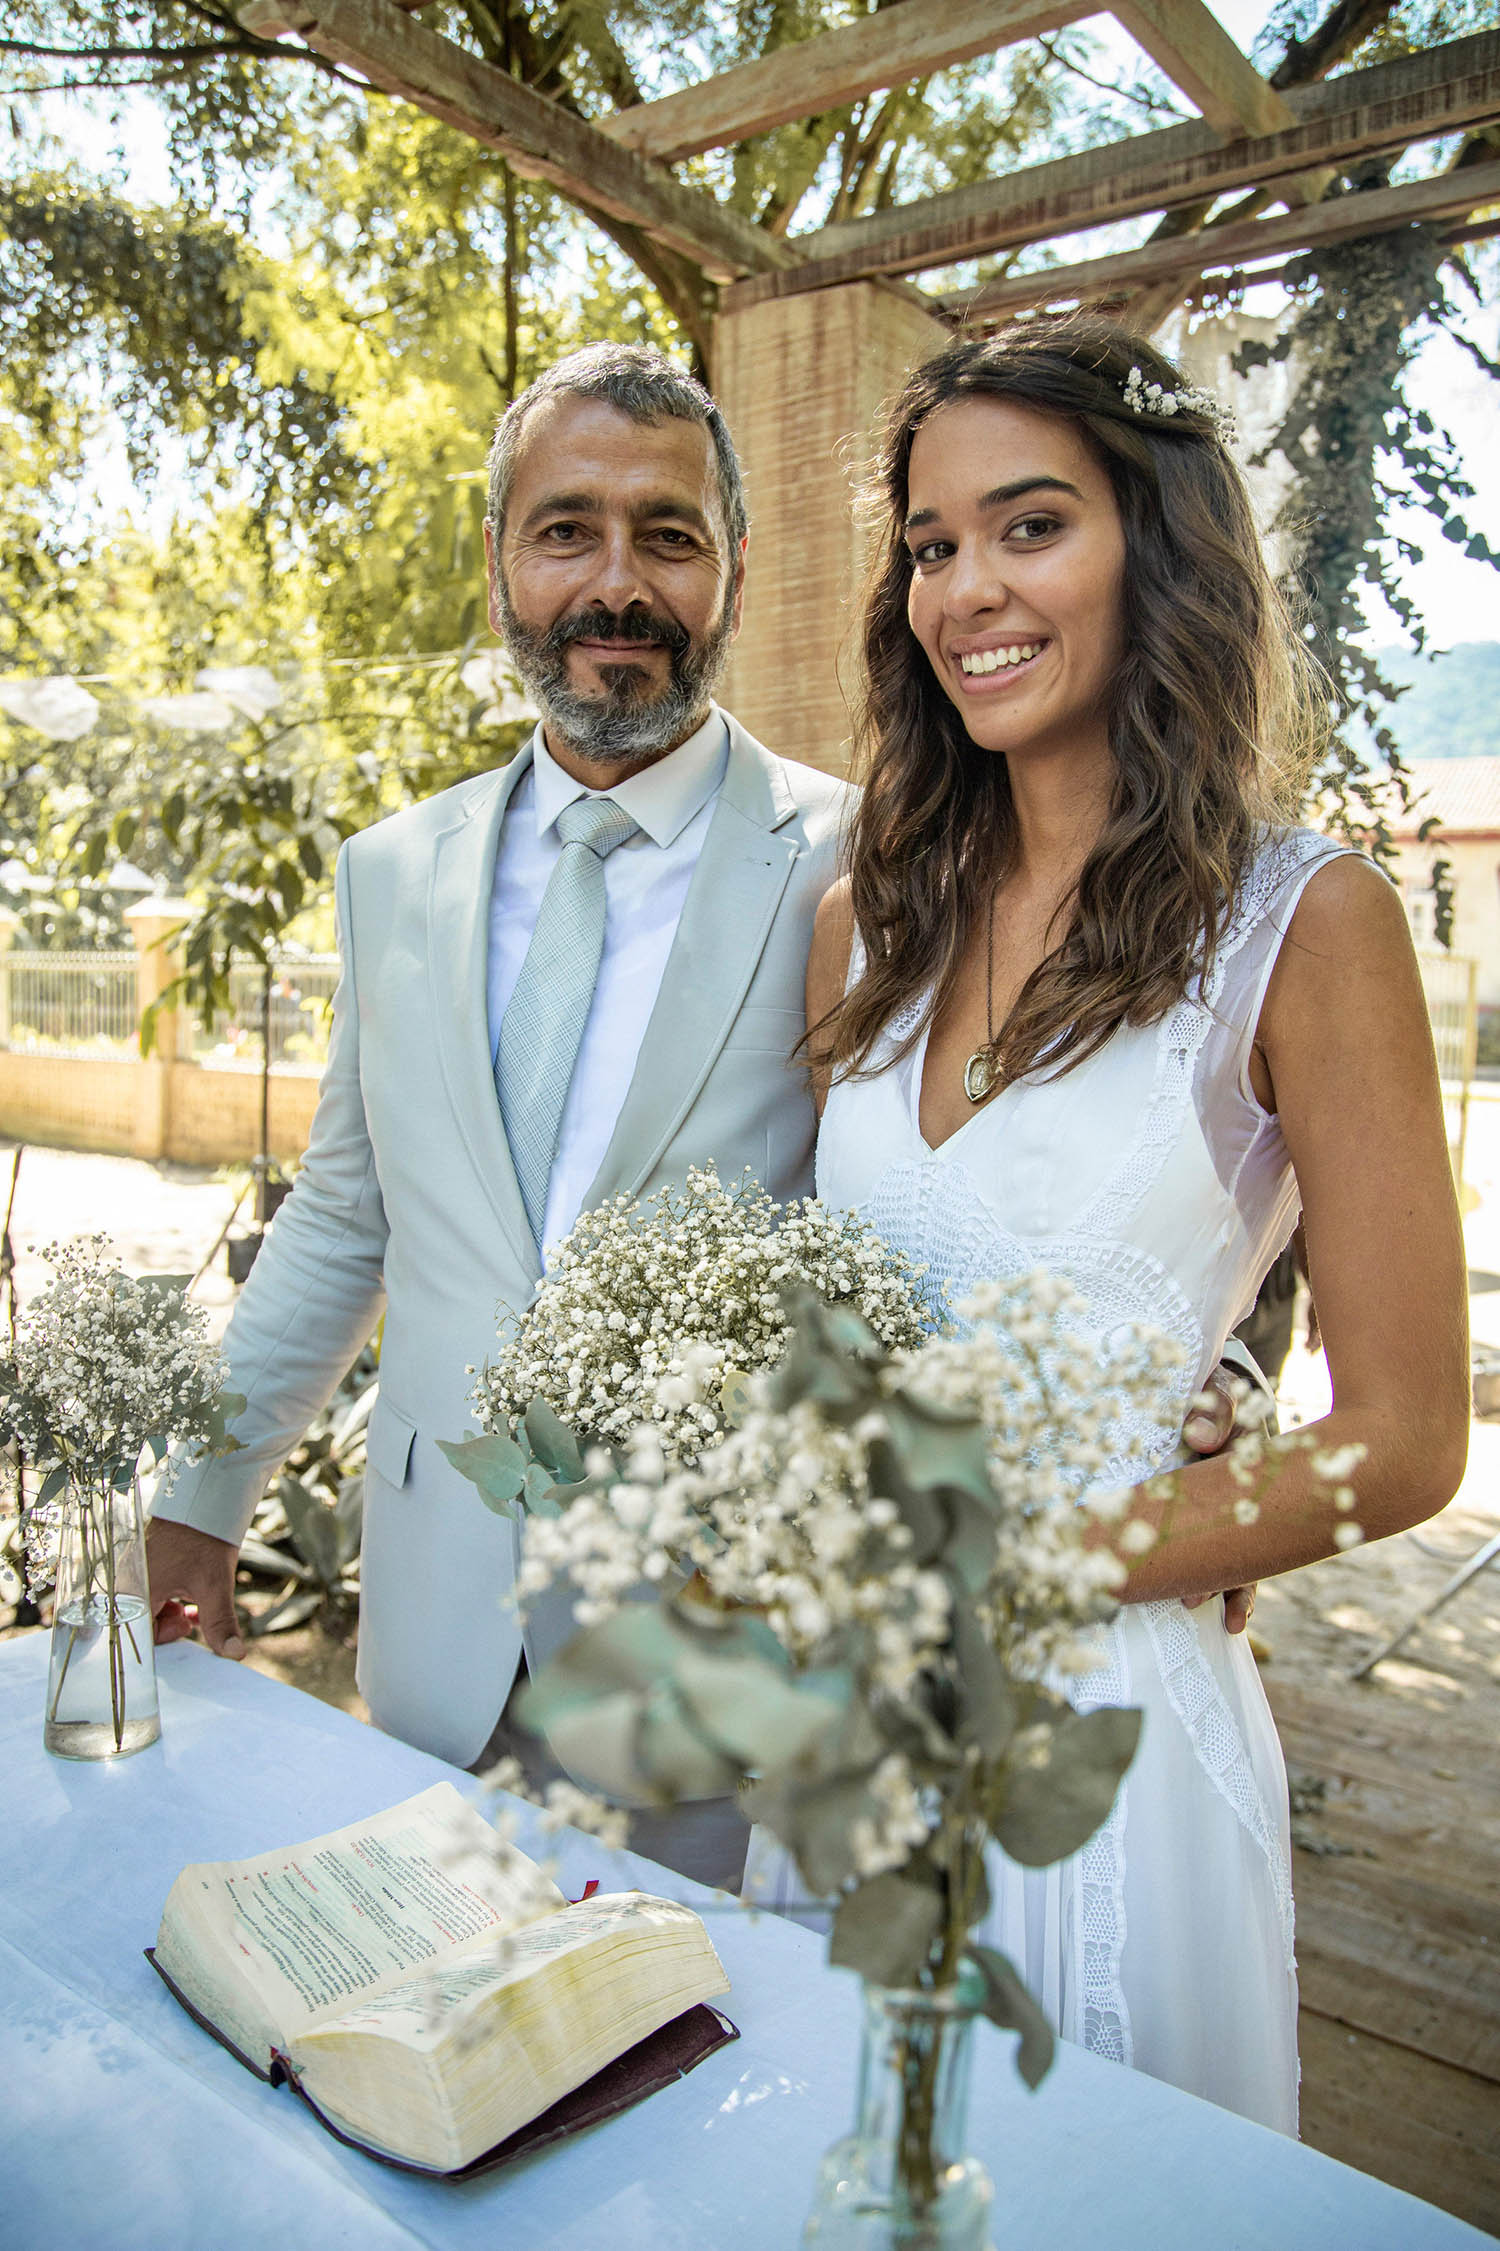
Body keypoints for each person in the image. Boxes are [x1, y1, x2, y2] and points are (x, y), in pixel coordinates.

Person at [147, 340, 1244, 1883]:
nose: (619, 583)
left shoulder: (882, 865)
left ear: (734, 566)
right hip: (428, 1645)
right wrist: (203, 1498)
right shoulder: (395, 873)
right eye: (566, 530)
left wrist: (1203, 1376)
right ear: (500, 564)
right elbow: (345, 1213)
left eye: (668, 534)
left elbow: (1070, 1150)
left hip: (729, 1656)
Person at [802, 318, 1469, 2133]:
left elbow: (1407, 1444)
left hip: (1107, 1750)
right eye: (931, 546)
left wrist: (1080, 1534)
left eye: (1030, 526)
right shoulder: (864, 918)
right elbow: (823, 1323)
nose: (965, 591)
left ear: (1155, 541)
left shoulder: (1305, 924)